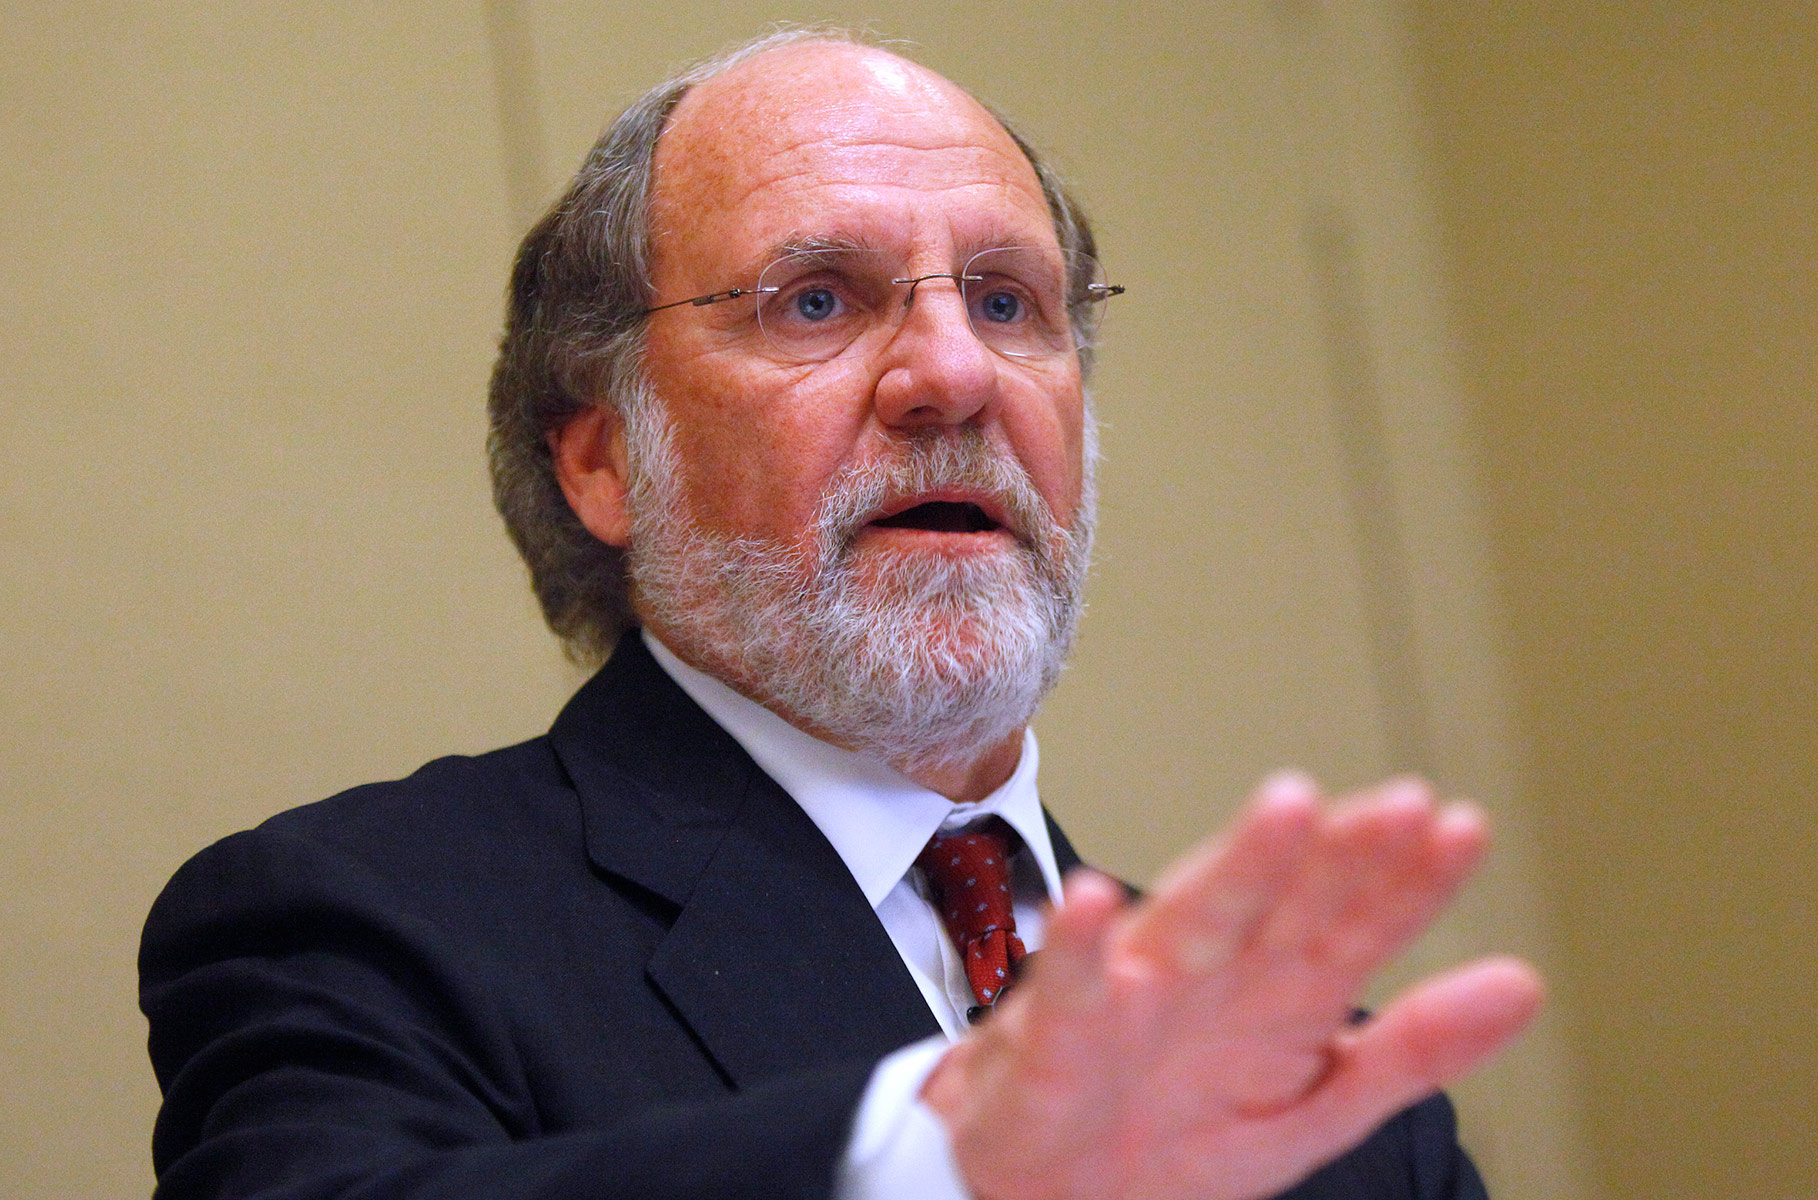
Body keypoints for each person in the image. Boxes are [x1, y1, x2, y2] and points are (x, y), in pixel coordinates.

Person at [141, 29, 1542, 1200]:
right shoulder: (359, 926)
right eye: (816, 300)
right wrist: (942, 1158)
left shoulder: (1315, 1092)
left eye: (1008, 302)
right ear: (604, 461)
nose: (954, 374)